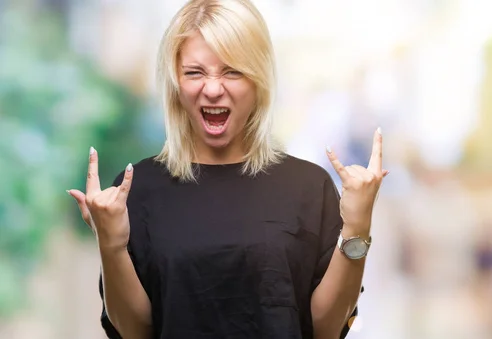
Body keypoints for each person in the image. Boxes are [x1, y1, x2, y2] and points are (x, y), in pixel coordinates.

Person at [67, 0, 387, 338]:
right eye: (195, 72)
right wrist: (112, 244)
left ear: (258, 78)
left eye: (232, 71)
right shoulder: (137, 191)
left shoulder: (309, 188)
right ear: (175, 82)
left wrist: (357, 225)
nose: (213, 88)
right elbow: (134, 332)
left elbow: (326, 329)